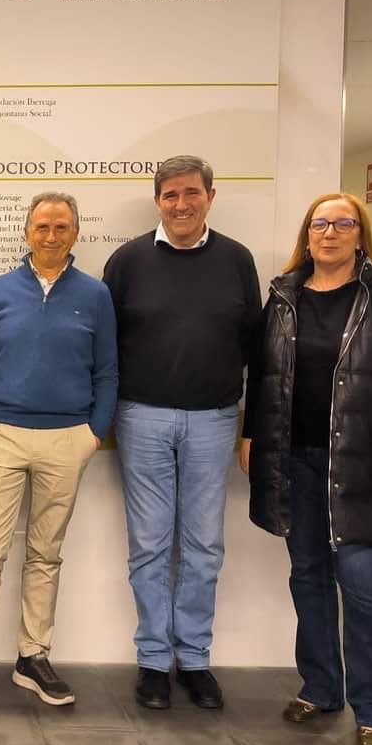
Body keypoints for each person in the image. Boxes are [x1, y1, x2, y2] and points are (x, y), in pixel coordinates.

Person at [241, 192, 372, 745]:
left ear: (360, 234)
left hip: (361, 464)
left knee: (364, 583)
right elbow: (264, 376)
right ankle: (321, 687)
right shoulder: (284, 296)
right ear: (307, 234)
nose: (330, 233)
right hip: (296, 458)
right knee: (308, 575)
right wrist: (251, 435)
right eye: (320, 224)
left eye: (343, 224)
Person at [0, 192, 118, 718]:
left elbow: (107, 371)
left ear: (76, 234)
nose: (51, 235)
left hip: (67, 438)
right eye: (42, 226)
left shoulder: (96, 295)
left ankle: (32, 656)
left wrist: (93, 433)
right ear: (27, 232)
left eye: (61, 227)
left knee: (45, 553)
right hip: (1, 435)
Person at [102, 155, 260, 710]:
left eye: (192, 193)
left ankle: (193, 659)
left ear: (210, 197)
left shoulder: (238, 260)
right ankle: (152, 662)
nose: (181, 204)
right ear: (158, 201)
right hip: (140, 416)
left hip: (215, 418)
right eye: (170, 195)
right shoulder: (127, 261)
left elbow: (255, 350)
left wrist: (251, 427)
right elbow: (105, 345)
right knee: (149, 544)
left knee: (203, 545)